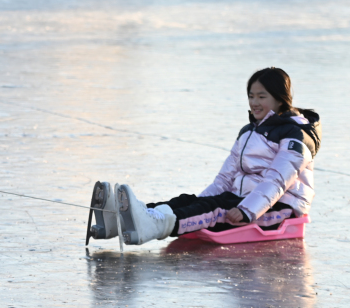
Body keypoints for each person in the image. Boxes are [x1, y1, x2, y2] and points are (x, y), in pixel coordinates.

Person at [88, 68, 320, 245]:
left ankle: (154, 226)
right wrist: (198, 202)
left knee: (215, 208)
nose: (254, 102)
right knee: (188, 201)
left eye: (261, 96)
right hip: (241, 198)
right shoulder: (249, 131)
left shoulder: (296, 135)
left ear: (280, 99)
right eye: (251, 96)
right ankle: (119, 221)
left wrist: (248, 210)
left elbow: (277, 180)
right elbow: (224, 179)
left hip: (279, 208)